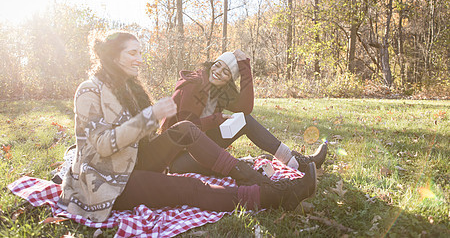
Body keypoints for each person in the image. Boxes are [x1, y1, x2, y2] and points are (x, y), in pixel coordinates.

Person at [57, 31, 317, 223]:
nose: (139, 59)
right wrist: (152, 116)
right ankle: (275, 197)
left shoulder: (129, 88)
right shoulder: (89, 90)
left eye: (140, 53)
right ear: (113, 57)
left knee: (186, 130)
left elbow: (244, 109)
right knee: (192, 189)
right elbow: (102, 145)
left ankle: (259, 180)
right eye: (132, 53)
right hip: (108, 180)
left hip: (135, 160)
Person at [162, 50, 327, 176]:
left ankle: (296, 161)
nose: (218, 71)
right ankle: (257, 165)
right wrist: (216, 120)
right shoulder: (194, 84)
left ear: (229, 79)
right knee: (235, 163)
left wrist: (245, 67)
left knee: (244, 120)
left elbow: (245, 109)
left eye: (226, 72)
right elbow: (185, 129)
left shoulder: (218, 90)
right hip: (178, 158)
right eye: (217, 64)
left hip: (201, 146)